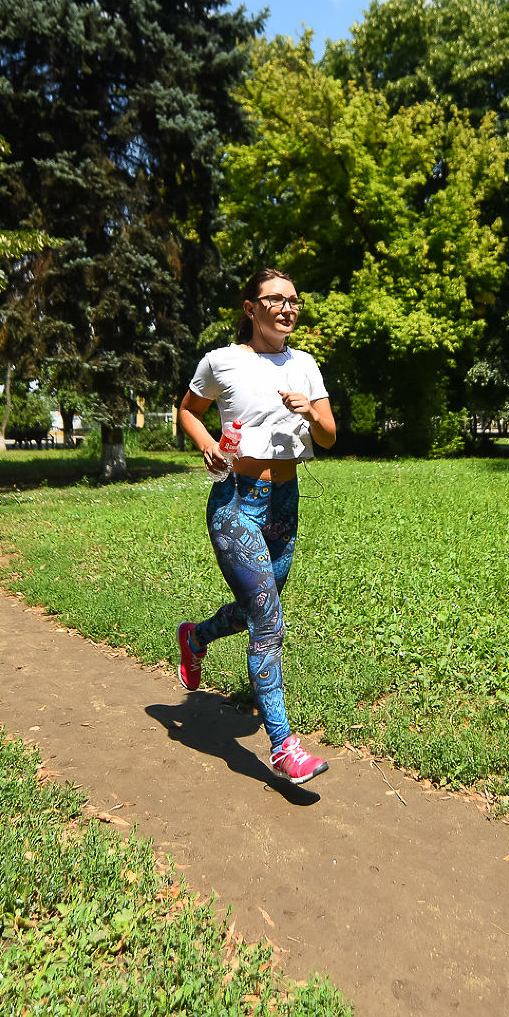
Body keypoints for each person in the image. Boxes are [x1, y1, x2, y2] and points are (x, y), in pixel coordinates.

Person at [174, 269, 338, 784]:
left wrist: (309, 412)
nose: (288, 308)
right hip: (235, 502)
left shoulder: (304, 365)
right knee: (269, 621)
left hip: (284, 503)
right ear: (251, 308)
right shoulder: (221, 361)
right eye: (276, 300)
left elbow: (329, 436)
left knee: (255, 610)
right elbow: (188, 411)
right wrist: (207, 444)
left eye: (294, 300)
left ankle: (196, 637)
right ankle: (284, 747)